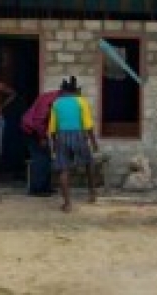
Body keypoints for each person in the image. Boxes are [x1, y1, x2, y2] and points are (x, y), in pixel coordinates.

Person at [48, 76, 99, 212]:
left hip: (62, 136)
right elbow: (88, 125)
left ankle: (67, 204)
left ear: (63, 91)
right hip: (78, 135)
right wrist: (93, 143)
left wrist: (54, 144)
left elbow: (52, 128)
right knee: (89, 163)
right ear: (76, 91)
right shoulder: (81, 102)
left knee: (63, 169)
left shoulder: (56, 103)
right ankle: (92, 193)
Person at [21, 86, 62, 197]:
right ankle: (36, 189)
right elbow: (39, 121)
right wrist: (42, 138)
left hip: (37, 129)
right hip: (32, 129)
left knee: (46, 158)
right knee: (40, 159)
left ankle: (45, 187)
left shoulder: (53, 96)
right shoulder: (51, 100)